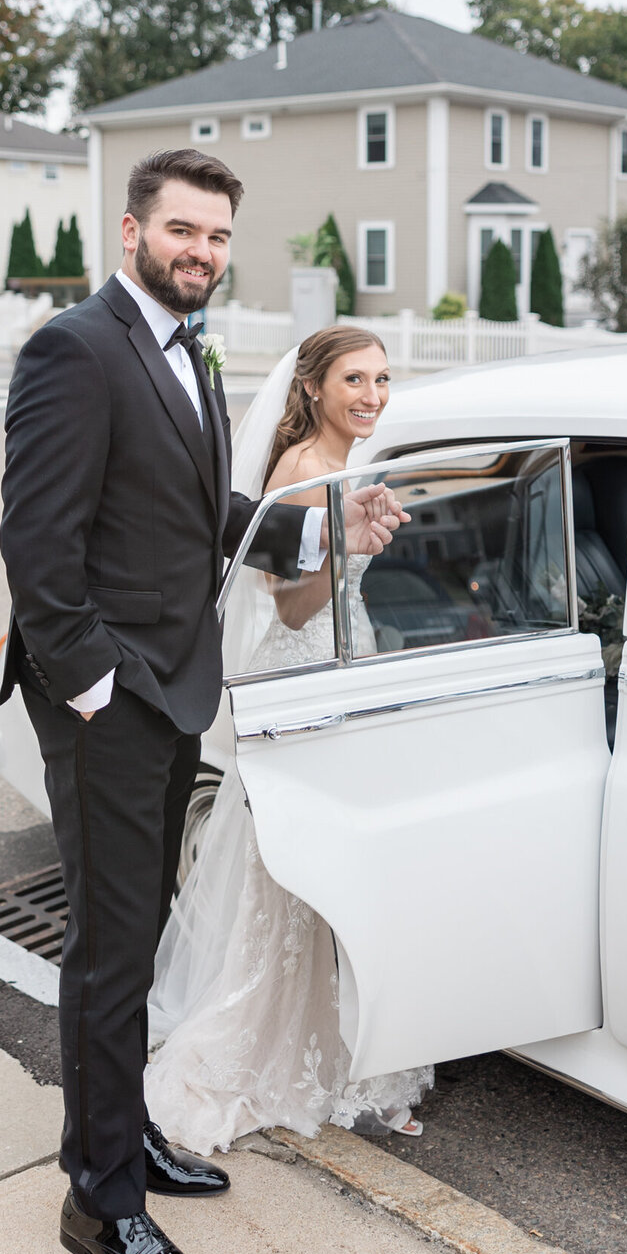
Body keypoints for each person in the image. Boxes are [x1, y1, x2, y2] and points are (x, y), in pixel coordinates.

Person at [0, 150, 407, 1254]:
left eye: (219, 237)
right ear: (131, 231)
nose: (202, 252)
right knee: (111, 951)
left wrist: (323, 531)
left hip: (179, 693)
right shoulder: (76, 350)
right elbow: (38, 549)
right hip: (111, 706)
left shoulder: (189, 347)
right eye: (183, 231)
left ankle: (128, 1137)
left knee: (144, 927)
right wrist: (92, 693)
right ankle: (102, 1200)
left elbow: (199, 514)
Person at [146, 327, 433, 1154]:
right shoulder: (304, 470)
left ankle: (341, 1048)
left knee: (335, 882)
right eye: (355, 379)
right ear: (312, 388)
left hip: (350, 663)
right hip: (305, 677)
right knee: (294, 883)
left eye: (383, 379)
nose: (373, 395)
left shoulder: (353, 463)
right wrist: (353, 543)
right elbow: (293, 606)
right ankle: (258, 1051)